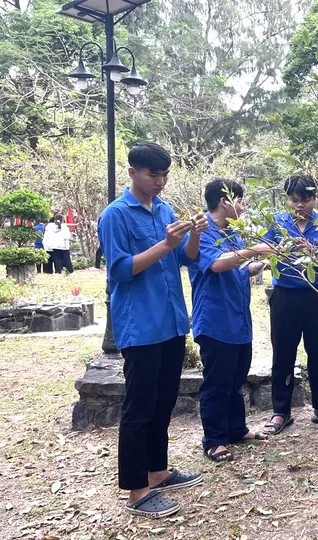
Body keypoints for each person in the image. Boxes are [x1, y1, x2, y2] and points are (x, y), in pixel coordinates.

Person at [99, 142, 208, 518]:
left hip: (171, 321)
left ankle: (158, 471)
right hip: (141, 325)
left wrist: (194, 234)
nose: (160, 182)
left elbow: (185, 258)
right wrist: (166, 243)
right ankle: (136, 491)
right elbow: (120, 270)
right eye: (153, 174)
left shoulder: (165, 210)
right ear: (133, 172)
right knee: (140, 408)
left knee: (163, 402)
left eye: (164, 175)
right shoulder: (115, 215)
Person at [188, 178, 274, 462]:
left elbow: (238, 267)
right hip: (215, 320)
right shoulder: (202, 231)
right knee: (217, 382)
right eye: (240, 201)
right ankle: (214, 440)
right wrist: (255, 249)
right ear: (224, 202)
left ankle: (237, 429)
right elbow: (216, 264)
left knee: (237, 377)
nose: (243, 207)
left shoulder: (232, 234)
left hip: (238, 319)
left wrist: (264, 262)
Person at [262, 175, 318, 435]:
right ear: (287, 200)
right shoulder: (276, 223)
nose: (299, 205)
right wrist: (275, 251)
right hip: (285, 295)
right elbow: (262, 252)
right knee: (283, 354)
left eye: (305, 200)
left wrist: (312, 251)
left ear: (314, 198)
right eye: (293, 200)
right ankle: (281, 412)